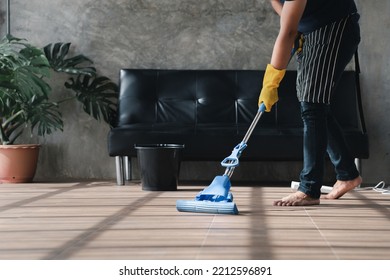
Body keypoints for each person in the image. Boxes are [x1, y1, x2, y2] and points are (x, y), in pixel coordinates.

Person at [258, 0, 362, 206]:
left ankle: (309, 188)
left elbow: (287, 32)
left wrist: (271, 82)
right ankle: (347, 173)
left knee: (312, 104)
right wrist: (297, 29)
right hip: (313, 30)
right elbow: (286, 16)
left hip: (333, 28)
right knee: (314, 104)